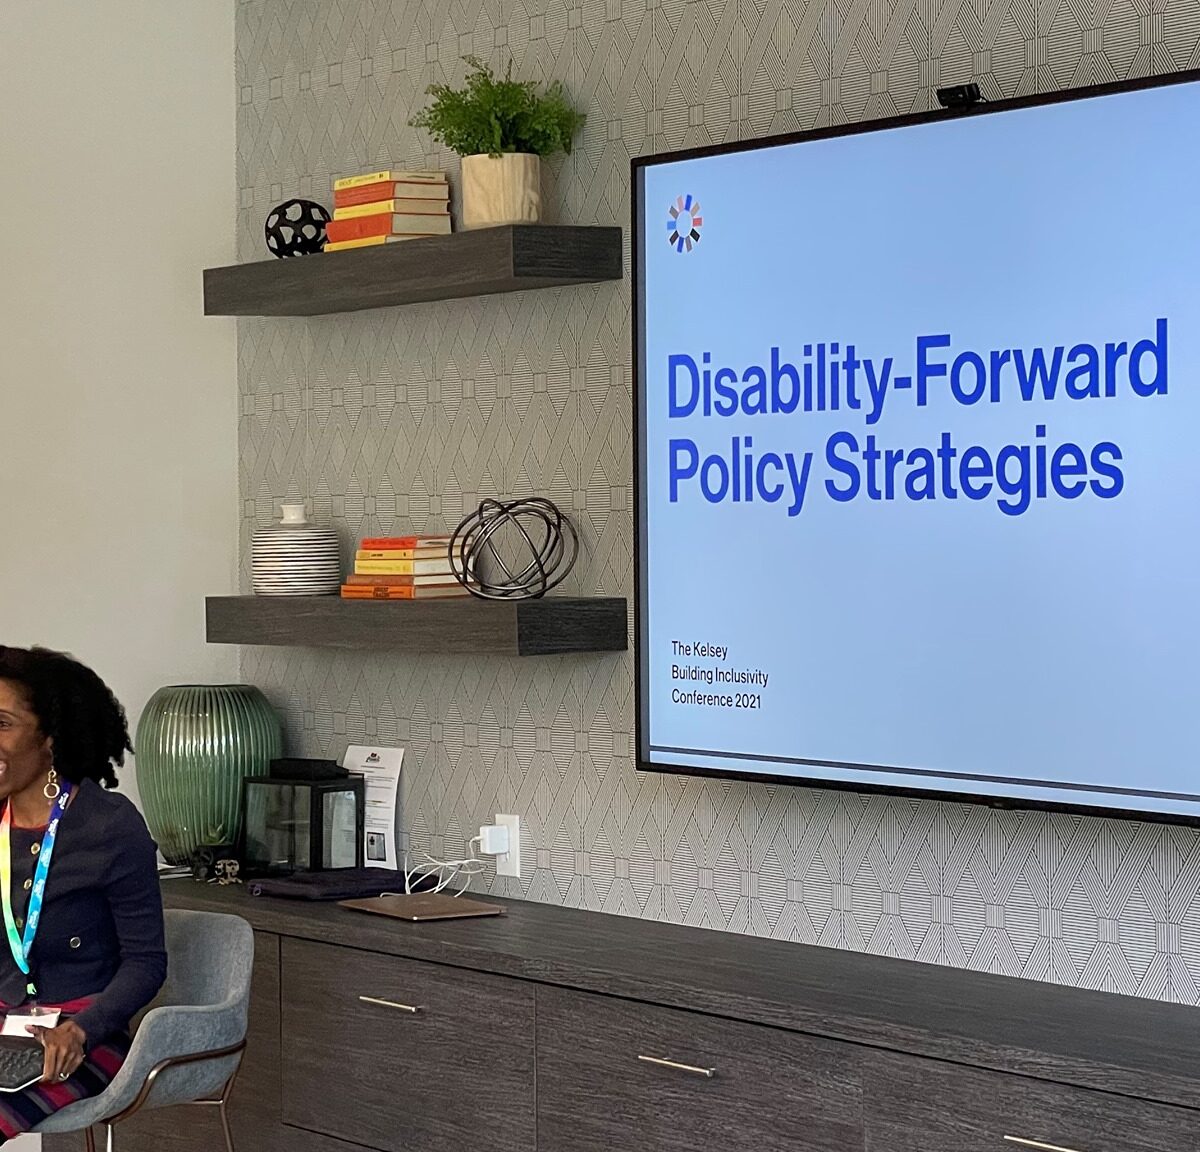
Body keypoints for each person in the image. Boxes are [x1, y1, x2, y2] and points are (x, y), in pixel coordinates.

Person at [0, 645, 166, 1140]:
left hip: (83, 1035)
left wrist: (82, 1030)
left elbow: (146, 963)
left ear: (50, 735)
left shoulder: (109, 826)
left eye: (3, 723)